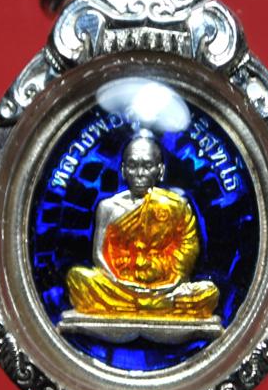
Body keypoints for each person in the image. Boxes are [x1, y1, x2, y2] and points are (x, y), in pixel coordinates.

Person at [66, 133, 219, 319]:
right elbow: (98, 255)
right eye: (133, 166)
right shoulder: (108, 207)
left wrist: (170, 284)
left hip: (165, 287)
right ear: (123, 170)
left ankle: (138, 306)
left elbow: (187, 250)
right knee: (77, 277)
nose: (139, 173)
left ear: (160, 171)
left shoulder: (176, 205)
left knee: (208, 292)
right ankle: (153, 307)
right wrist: (120, 283)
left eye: (147, 166)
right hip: (119, 287)